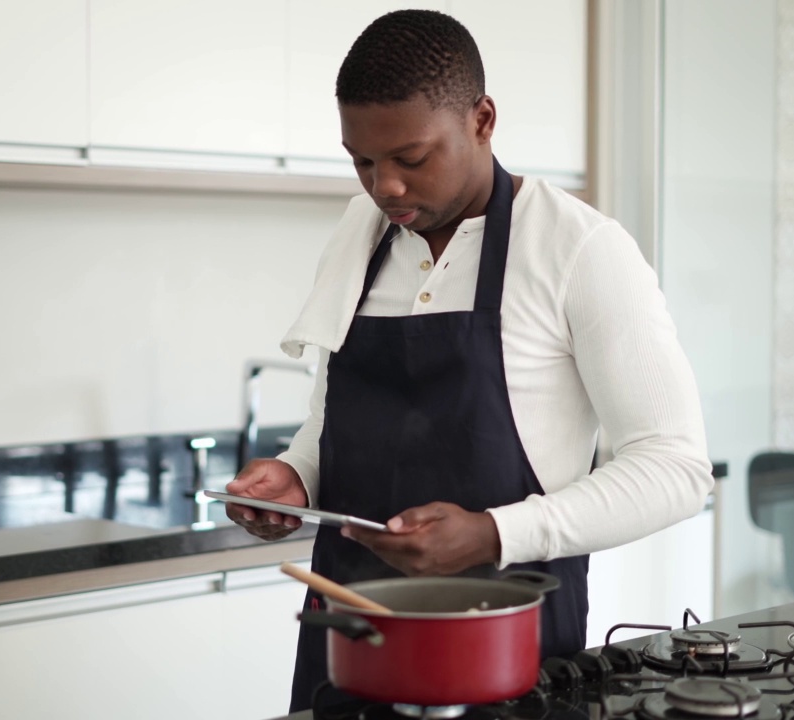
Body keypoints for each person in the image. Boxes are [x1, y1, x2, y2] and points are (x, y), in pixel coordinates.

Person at [222, 8, 713, 713]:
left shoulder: (580, 250)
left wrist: (492, 533)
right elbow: (331, 419)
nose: (383, 187)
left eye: (411, 159)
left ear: (482, 120)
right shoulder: (359, 238)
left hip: (504, 656)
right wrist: (297, 477)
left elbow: (676, 468)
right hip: (351, 654)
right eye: (361, 160)